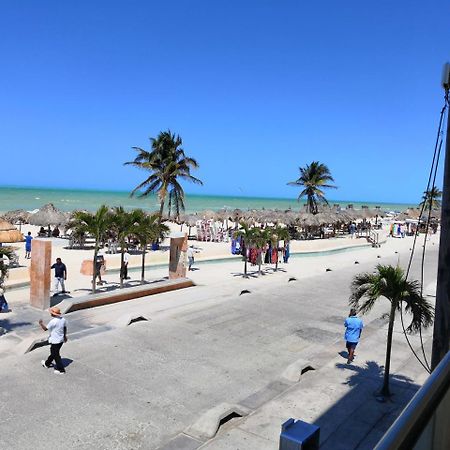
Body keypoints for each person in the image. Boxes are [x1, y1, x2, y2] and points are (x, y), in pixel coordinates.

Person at [39, 306, 67, 374]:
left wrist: (41, 323)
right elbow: (65, 328)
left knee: (56, 355)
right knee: (53, 353)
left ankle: (61, 370)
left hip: (55, 341)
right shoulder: (63, 319)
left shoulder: (53, 321)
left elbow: (45, 329)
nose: (50, 313)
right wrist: (65, 336)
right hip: (61, 340)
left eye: (51, 313)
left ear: (53, 314)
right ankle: (47, 364)